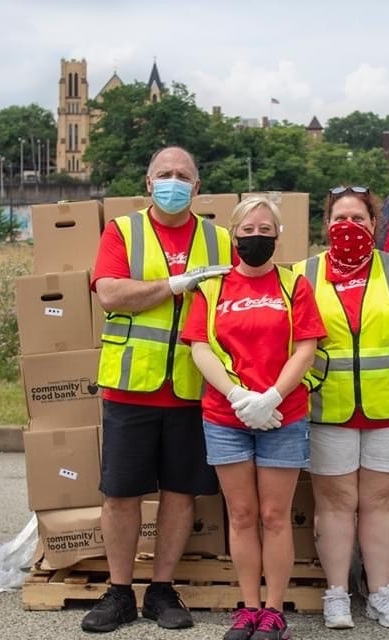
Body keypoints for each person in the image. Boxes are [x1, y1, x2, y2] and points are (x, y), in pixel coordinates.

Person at [82, 146, 233, 633]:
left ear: (198, 186)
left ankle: (162, 590)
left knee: (181, 493)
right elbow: (109, 293)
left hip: (193, 389)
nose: (173, 182)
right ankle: (120, 592)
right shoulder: (122, 231)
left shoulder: (221, 239)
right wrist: (173, 285)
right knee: (121, 495)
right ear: (148, 184)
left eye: (182, 175)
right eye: (164, 175)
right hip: (131, 386)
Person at [292, 186, 389, 631]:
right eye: (340, 219)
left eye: (358, 219)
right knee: (335, 504)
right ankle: (337, 594)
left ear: (375, 225)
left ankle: (381, 594)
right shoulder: (303, 275)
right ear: (326, 227)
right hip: (327, 409)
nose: (349, 227)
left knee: (381, 503)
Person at [181, 195, 326, 640]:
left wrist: (272, 397)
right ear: (233, 235)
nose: (256, 238)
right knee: (241, 515)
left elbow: (307, 347)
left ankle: (275, 611)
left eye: (266, 231)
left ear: (278, 235)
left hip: (284, 414)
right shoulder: (213, 287)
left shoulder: (293, 285)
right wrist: (239, 396)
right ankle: (248, 608)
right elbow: (199, 347)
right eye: (248, 231)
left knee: (274, 515)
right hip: (225, 416)